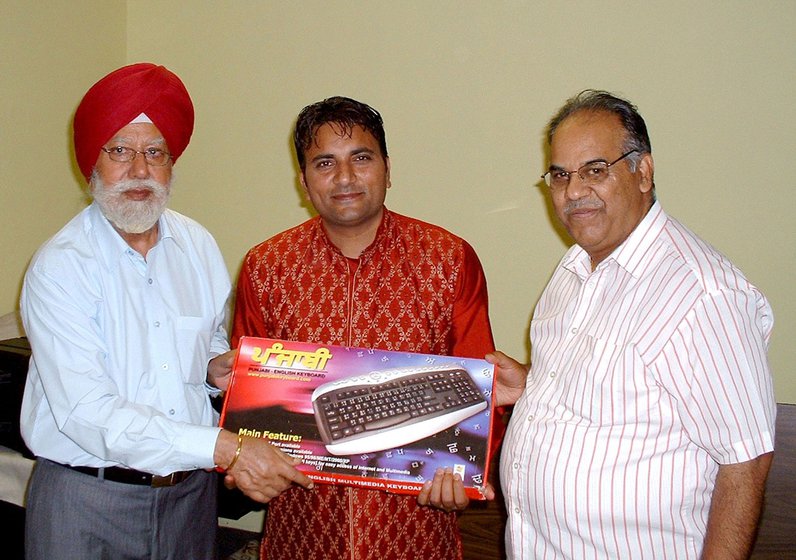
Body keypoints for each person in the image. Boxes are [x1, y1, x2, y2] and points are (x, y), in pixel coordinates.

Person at [19, 63, 312, 560]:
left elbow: (205, 345)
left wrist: (216, 367)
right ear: (92, 161)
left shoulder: (196, 245)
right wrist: (227, 449)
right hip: (87, 500)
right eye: (121, 151)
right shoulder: (60, 267)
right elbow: (88, 412)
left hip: (188, 501)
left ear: (172, 163)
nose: (139, 171)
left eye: (154, 152)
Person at [488, 89, 776, 559]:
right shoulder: (575, 269)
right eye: (560, 176)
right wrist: (533, 385)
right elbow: (616, 393)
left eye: (595, 171)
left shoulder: (701, 295)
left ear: (643, 172)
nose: (574, 191)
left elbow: (747, 460)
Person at [232, 96, 496, 560]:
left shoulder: (447, 260)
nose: (345, 178)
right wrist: (244, 464)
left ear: (388, 168)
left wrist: (466, 472)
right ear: (304, 180)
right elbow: (248, 407)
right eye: (325, 163)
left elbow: (481, 387)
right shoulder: (267, 267)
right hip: (302, 531)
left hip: (417, 531)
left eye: (361, 158)